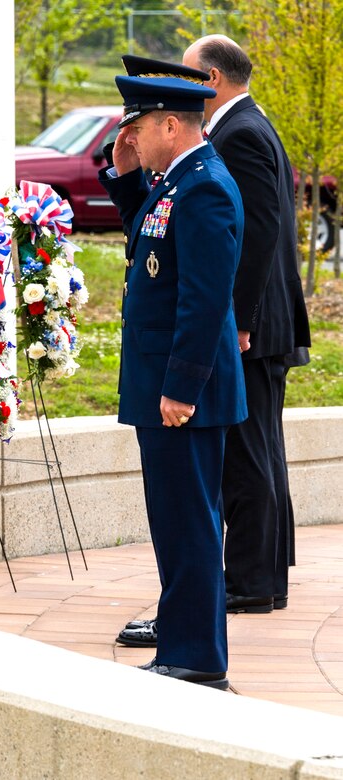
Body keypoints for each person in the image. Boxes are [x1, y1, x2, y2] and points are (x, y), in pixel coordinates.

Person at [99, 73, 247, 688]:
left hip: (183, 396)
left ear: (170, 124)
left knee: (188, 523)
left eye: (137, 126)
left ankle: (195, 658)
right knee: (178, 519)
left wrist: (181, 389)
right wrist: (126, 173)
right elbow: (150, 237)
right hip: (166, 389)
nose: (129, 134)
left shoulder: (204, 186)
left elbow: (204, 300)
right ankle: (187, 646)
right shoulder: (175, 183)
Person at [182, 35, 311, 614]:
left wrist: (238, 321)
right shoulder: (248, 126)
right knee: (262, 450)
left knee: (248, 455)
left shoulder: (241, 135)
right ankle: (265, 575)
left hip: (254, 327)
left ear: (211, 79)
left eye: (187, 76)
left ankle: (252, 583)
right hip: (261, 322)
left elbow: (256, 236)